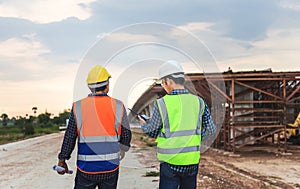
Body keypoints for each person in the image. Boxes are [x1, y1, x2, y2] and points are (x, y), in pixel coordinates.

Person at [139, 60, 216, 189]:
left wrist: (144, 124)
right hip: (191, 161)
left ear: (168, 80)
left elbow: (152, 131)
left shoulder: (162, 103)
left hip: (170, 162)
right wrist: (194, 137)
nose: (163, 86)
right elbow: (211, 130)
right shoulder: (199, 102)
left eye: (163, 82)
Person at [57, 65, 132, 189]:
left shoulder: (78, 107)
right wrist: (123, 149)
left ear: (89, 87)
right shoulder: (118, 106)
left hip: (86, 169)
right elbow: (126, 134)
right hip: (110, 168)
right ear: (107, 86)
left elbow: (70, 136)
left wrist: (62, 159)